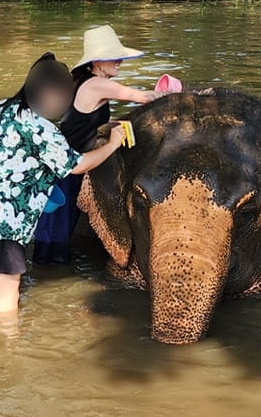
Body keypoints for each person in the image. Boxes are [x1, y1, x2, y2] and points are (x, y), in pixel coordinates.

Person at [0, 53, 128, 315]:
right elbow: (77, 165)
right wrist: (112, 144)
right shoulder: (41, 129)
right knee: (6, 295)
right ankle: (8, 352)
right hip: (0, 224)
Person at [34, 26, 165, 264]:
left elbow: (82, 123)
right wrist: (181, 95)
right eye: (114, 57)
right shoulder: (97, 85)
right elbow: (145, 98)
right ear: (97, 61)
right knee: (56, 230)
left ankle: (44, 272)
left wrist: (115, 124)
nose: (120, 61)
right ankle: (47, 275)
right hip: (68, 167)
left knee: (54, 224)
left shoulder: (81, 82)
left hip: (62, 163)